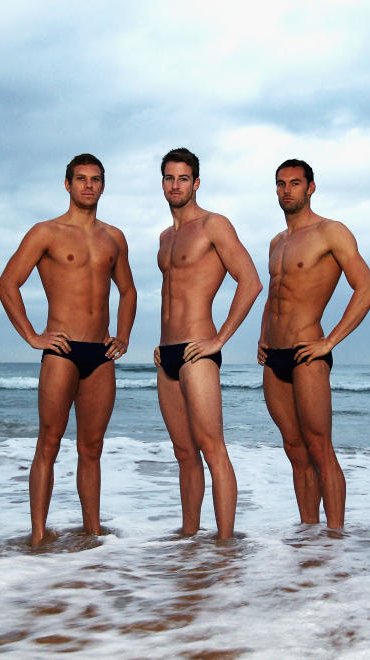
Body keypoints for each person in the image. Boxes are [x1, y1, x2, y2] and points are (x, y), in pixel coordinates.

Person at [0, 154, 136, 547]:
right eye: (81, 179)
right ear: (67, 184)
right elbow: (7, 285)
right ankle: (38, 536)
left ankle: (93, 534)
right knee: (50, 442)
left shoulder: (114, 237)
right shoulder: (46, 232)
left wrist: (122, 335)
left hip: (100, 353)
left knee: (92, 448)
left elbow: (128, 290)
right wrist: (32, 336)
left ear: (102, 186)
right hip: (61, 349)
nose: (88, 186)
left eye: (95, 180)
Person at [258, 159, 370, 529]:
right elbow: (275, 296)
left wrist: (329, 341)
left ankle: (336, 537)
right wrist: (263, 336)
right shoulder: (277, 243)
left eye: (294, 183)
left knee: (320, 448)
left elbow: (367, 289)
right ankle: (309, 534)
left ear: (311, 187)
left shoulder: (331, 231)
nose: (286, 190)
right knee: (294, 450)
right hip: (274, 356)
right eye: (281, 184)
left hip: (308, 351)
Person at [155, 147, 262, 539]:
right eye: (169, 178)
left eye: (183, 178)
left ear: (196, 183)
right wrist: (160, 342)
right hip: (166, 353)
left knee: (212, 448)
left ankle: (224, 544)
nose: (176, 185)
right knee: (184, 454)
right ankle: (188, 540)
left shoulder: (213, 225)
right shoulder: (166, 237)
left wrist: (219, 339)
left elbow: (250, 281)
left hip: (198, 349)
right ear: (162, 182)